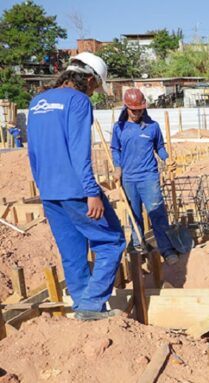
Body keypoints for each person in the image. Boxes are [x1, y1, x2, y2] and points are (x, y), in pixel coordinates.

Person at [27, 52, 126, 321]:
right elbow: (79, 151)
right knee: (111, 242)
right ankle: (92, 304)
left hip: (49, 191)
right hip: (76, 189)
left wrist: (44, 187)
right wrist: (91, 192)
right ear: (90, 79)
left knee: (72, 252)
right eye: (95, 87)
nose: (94, 93)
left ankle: (84, 308)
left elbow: (32, 152)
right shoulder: (79, 101)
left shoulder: (37, 102)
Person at [111, 88, 180, 265]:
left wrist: (167, 159)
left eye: (140, 109)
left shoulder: (152, 127)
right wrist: (117, 167)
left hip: (149, 177)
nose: (137, 113)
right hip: (128, 178)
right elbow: (115, 149)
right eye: (134, 110)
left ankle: (167, 249)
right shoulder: (119, 128)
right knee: (134, 215)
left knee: (157, 213)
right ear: (126, 108)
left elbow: (160, 148)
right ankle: (138, 246)